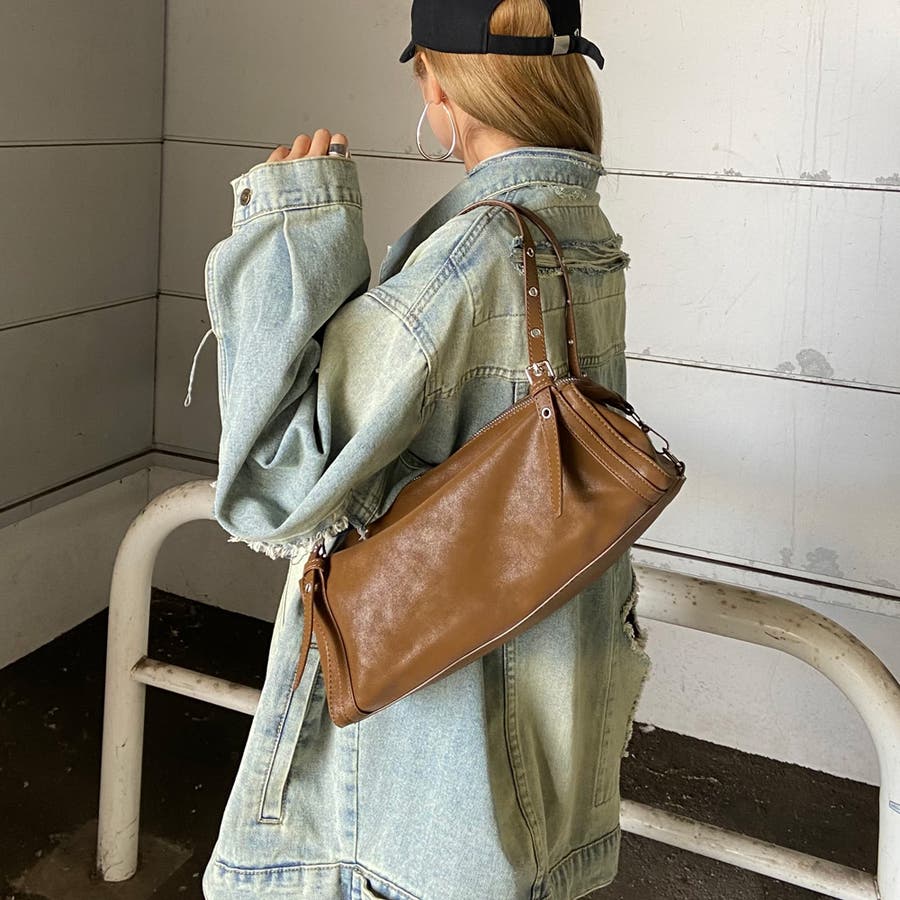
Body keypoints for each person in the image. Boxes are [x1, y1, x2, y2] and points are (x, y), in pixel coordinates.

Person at [194, 1, 652, 897]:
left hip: (439, 722)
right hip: (548, 677)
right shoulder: (579, 225)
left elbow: (278, 478)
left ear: (443, 89)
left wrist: (290, 230)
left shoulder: (472, 254)